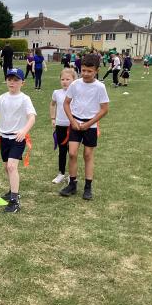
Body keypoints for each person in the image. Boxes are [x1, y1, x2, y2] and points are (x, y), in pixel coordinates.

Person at [0, 68, 36, 213]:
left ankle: (14, 201)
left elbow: (32, 117)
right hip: (4, 138)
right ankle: (12, 191)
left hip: (18, 138)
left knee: (11, 167)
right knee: (6, 167)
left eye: (16, 80)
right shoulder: (2, 98)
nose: (12, 82)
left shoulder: (25, 99)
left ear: (22, 83)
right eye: (9, 79)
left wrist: (24, 131)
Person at [59, 54, 109, 200]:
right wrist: (72, 121)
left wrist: (89, 124)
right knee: (72, 153)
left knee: (88, 155)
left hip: (90, 125)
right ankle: (72, 184)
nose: (86, 74)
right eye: (83, 70)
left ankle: (88, 187)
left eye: (89, 71)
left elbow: (104, 109)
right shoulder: (75, 84)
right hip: (75, 123)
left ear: (97, 71)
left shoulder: (100, 87)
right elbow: (66, 103)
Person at [49, 68, 76, 183]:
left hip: (72, 126)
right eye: (62, 79)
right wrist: (53, 118)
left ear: (74, 80)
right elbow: (52, 104)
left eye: (68, 79)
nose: (65, 82)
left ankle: (72, 175)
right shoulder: (57, 93)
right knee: (62, 150)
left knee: (72, 152)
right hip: (60, 125)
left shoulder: (76, 93)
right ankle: (61, 173)